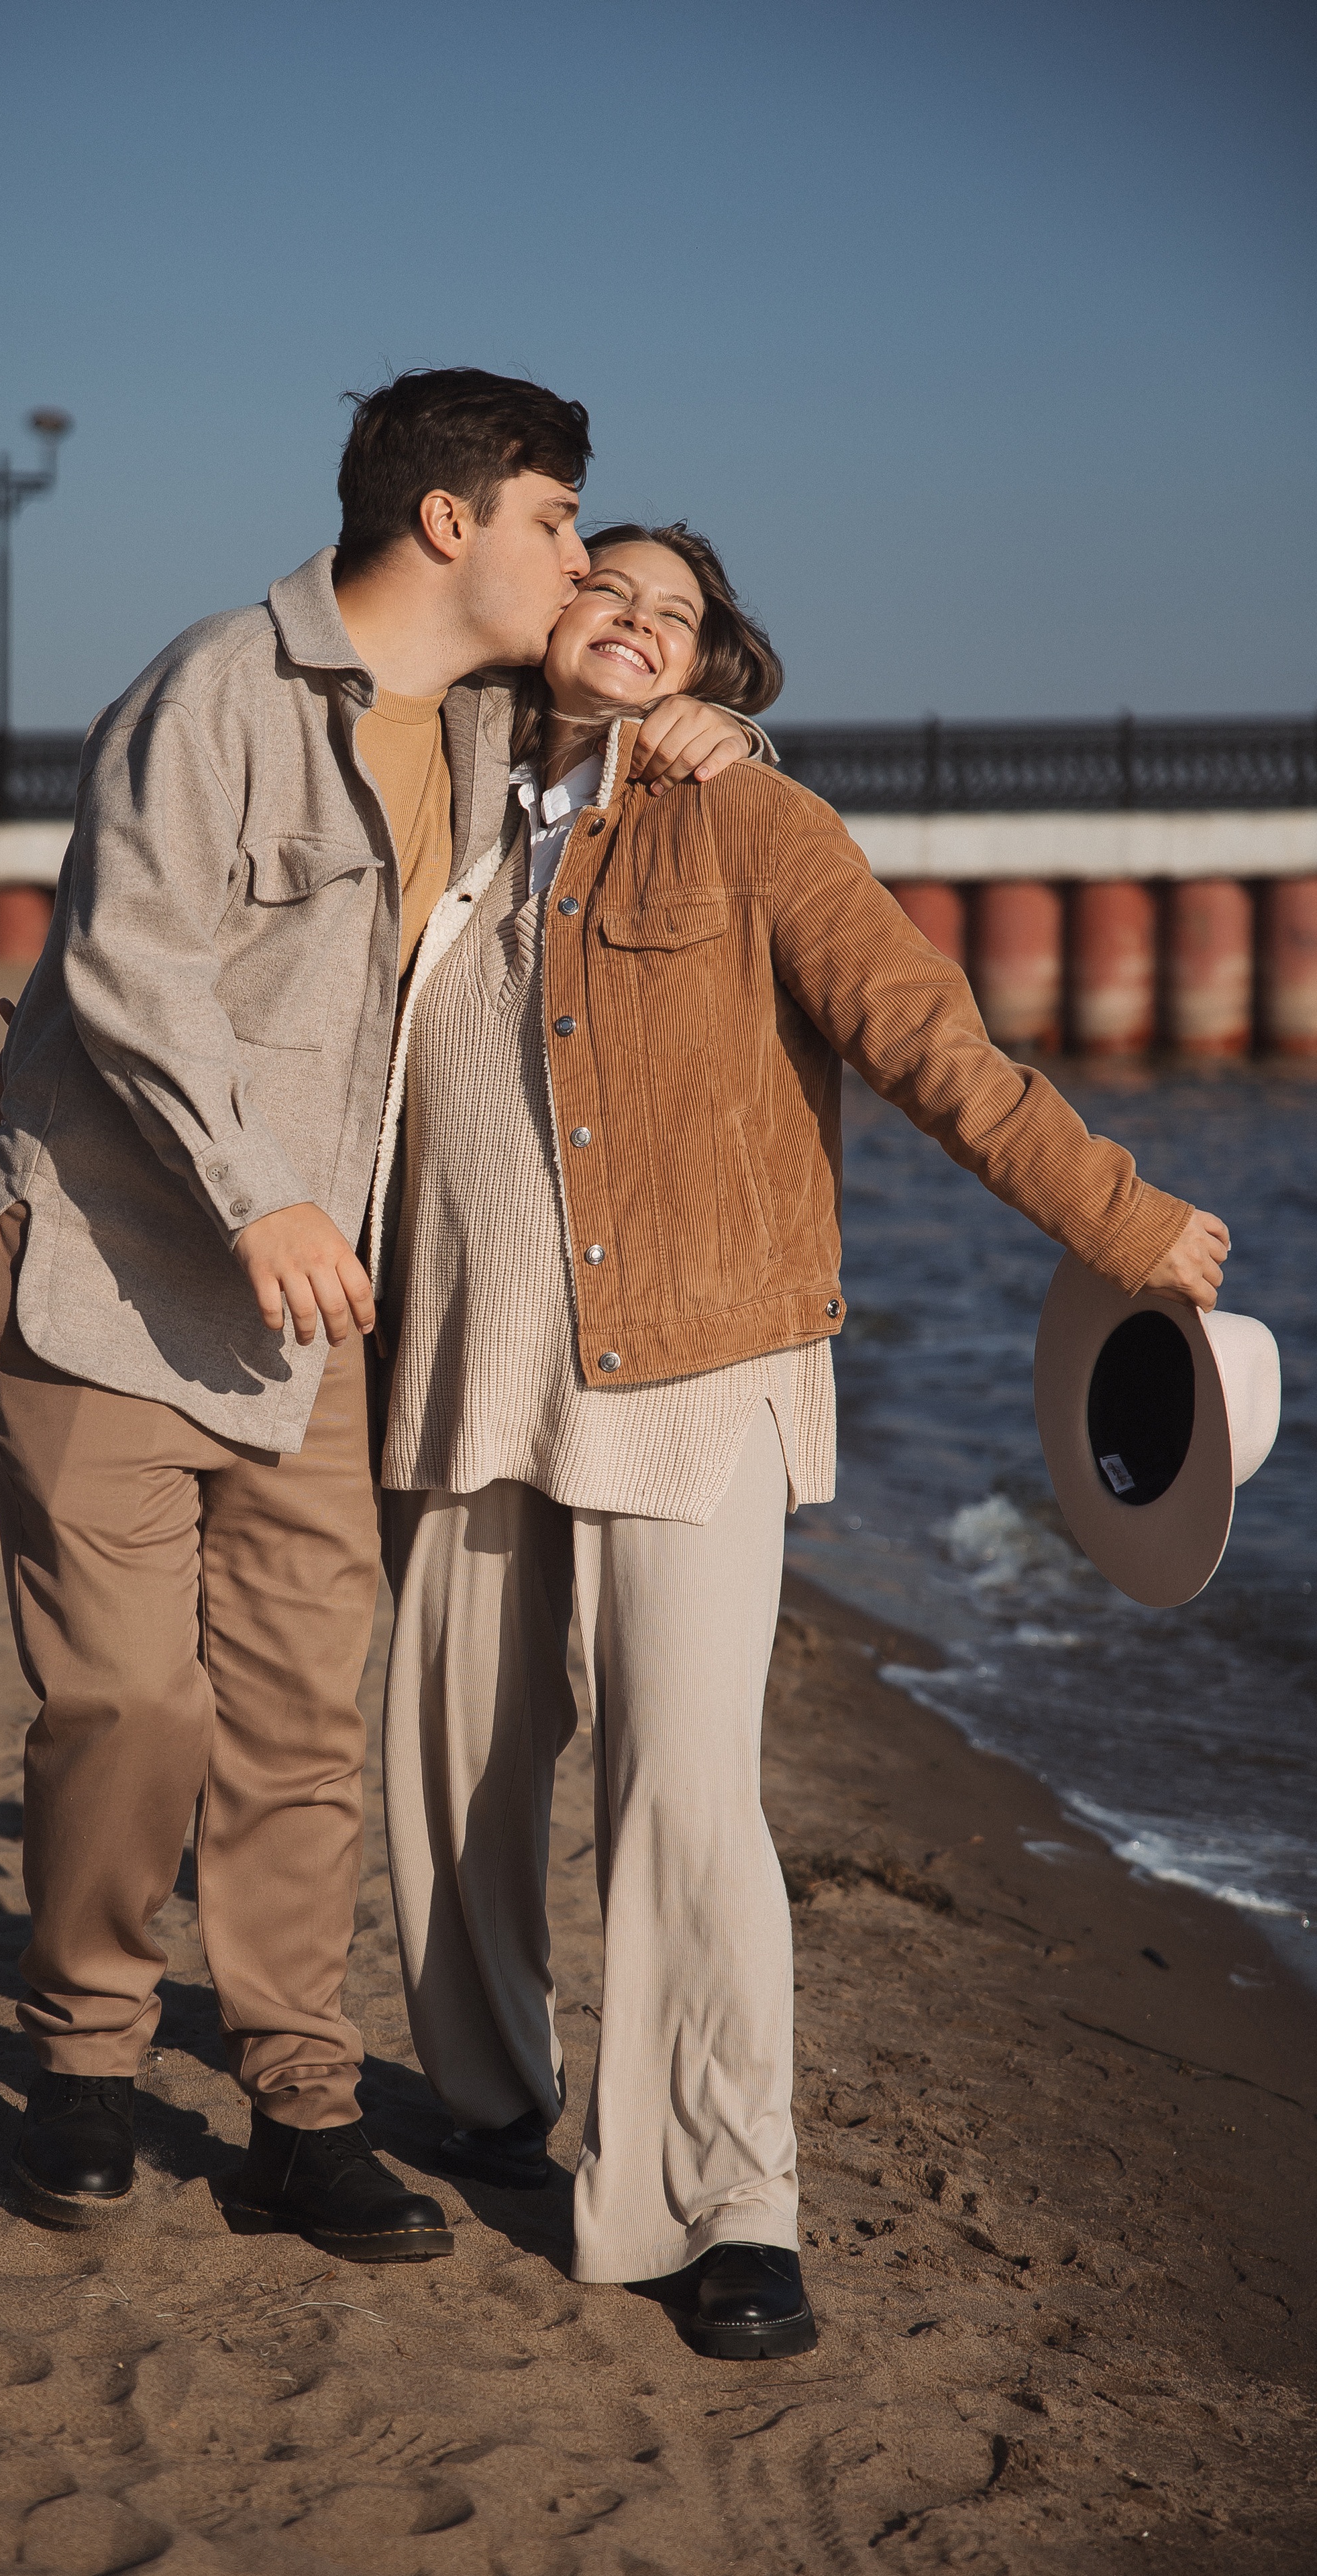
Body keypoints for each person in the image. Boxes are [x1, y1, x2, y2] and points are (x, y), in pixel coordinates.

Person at [370, 521, 1230, 2351]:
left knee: (685, 1800)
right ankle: (492, 2096)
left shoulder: (751, 818)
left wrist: (1122, 1218)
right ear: (547, 612)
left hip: (690, 1371)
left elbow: (929, 1041)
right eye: (607, 587)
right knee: (452, 1764)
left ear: (710, 668)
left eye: (674, 618)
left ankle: (726, 2202)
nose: (635, 622)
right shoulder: (438, 772)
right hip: (467, 1356)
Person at [0, 374, 757, 2251]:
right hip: (102, 1273)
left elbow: (625, 797)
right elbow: (131, 962)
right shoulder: (216, 686)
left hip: (312, 1316)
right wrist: (265, 1191)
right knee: (130, 1702)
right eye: (563, 519)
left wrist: (716, 737)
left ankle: (299, 2108)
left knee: (306, 1720)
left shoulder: (488, 726)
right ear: (456, 523)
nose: (582, 558)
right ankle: (81, 2061)